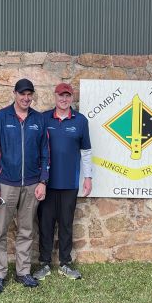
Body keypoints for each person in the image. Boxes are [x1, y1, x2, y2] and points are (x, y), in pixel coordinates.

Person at [0, 79, 49, 293]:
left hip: (32, 185)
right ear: (14, 94)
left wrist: (43, 181)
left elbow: (45, 152)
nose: (26, 98)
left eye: (29, 94)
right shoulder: (1, 118)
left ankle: (23, 272)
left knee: (27, 230)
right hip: (5, 185)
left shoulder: (38, 119)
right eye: (22, 94)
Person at [33, 83, 92, 281]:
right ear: (55, 97)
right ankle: (44, 263)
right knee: (45, 224)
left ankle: (65, 263)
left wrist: (88, 177)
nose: (64, 99)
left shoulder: (81, 121)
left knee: (66, 224)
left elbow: (86, 152)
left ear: (72, 98)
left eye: (67, 96)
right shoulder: (43, 118)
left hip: (69, 183)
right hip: (47, 182)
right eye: (61, 96)